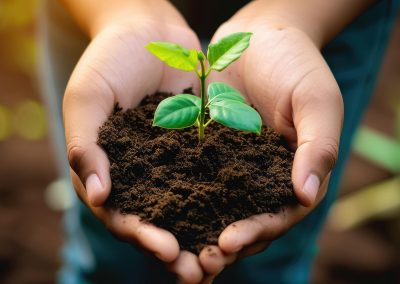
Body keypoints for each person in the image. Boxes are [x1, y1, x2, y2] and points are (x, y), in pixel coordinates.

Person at [38, 0, 400, 283]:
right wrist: (122, 13)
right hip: (96, 10)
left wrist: (294, 16)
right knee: (107, 258)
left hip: (328, 15)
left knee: (267, 264)